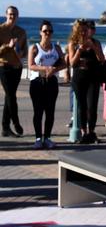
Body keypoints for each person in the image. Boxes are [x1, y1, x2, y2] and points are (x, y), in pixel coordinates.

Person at [27, 20, 66, 149]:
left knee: (50, 112)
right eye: (45, 31)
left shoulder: (56, 48)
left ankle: (47, 137)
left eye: (50, 31)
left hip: (51, 83)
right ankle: (38, 138)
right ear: (40, 32)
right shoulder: (34, 47)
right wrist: (45, 68)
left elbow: (64, 63)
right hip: (37, 82)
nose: (47, 33)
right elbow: (31, 65)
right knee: (38, 111)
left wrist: (54, 69)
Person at [68, 19, 105, 143]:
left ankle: (91, 132)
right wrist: (80, 50)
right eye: (81, 30)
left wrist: (93, 47)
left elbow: (101, 59)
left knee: (92, 106)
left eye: (85, 30)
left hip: (93, 78)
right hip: (79, 78)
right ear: (76, 31)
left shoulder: (95, 42)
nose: (84, 33)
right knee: (82, 106)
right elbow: (72, 63)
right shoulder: (73, 43)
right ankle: (84, 132)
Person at [0, 6, 27, 138]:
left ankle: (5, 128)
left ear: (18, 16)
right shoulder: (1, 30)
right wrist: (8, 46)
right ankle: (16, 122)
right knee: (11, 96)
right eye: (10, 14)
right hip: (4, 67)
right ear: (6, 15)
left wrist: (20, 53)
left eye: (15, 14)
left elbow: (25, 51)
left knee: (8, 97)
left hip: (17, 68)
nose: (12, 17)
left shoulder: (21, 32)